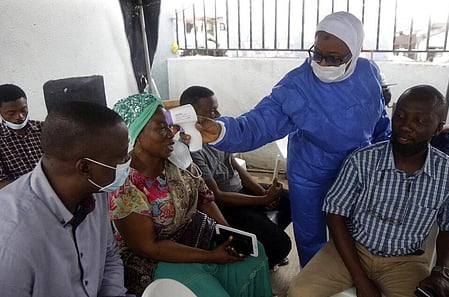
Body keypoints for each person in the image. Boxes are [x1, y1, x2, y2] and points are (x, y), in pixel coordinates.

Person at [195, 11, 391, 266]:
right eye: (317, 54)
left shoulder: (367, 73)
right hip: (312, 172)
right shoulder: (297, 85)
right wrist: (222, 131)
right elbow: (258, 123)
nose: (323, 63)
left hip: (358, 169)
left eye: (334, 58)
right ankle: (315, 279)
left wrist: (386, 158)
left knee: (359, 226)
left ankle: (355, 275)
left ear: (354, 53)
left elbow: (380, 121)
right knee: (311, 232)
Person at [288, 85, 449, 297]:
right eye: (400, 116)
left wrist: (441, 272)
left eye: (420, 121)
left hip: (405, 261)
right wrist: (360, 278)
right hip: (352, 250)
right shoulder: (362, 160)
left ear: (438, 129)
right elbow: (335, 215)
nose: (405, 126)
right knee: (299, 291)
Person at [110, 93, 273, 297]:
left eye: (169, 126)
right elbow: (149, 248)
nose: (171, 133)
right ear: (137, 136)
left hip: (192, 236)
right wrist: (211, 256)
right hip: (151, 262)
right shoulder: (126, 187)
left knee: (253, 254)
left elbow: (205, 198)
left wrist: (229, 235)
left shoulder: (177, 160)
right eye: (162, 127)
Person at [0, 101, 130, 296]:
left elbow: (109, 255)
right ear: (85, 167)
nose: (128, 162)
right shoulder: (13, 241)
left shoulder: (96, 190)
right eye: (121, 158)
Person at [180, 85, 292, 269]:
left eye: (216, 108)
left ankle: (265, 242)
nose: (217, 115)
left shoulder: (214, 135)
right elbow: (217, 195)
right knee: (282, 245)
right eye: (210, 112)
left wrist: (264, 194)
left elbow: (236, 167)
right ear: (192, 116)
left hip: (240, 192)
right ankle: (260, 263)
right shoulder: (191, 148)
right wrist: (262, 199)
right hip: (227, 205)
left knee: (289, 200)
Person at [381, 76, 449, 252]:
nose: (386, 95)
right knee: (443, 137)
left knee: (448, 139)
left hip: (414, 143)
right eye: (383, 92)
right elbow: (386, 134)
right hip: (390, 146)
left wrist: (439, 128)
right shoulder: (372, 111)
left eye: (386, 91)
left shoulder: (385, 109)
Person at [0, 84, 42, 189]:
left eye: (23, 110)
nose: (20, 117)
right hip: (20, 197)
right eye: (11, 113)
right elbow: (2, 183)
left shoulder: (44, 128)